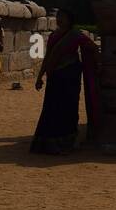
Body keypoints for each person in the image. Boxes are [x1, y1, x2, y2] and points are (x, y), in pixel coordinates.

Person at [31, 9, 101, 155]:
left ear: (70, 20)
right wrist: (40, 77)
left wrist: (97, 63)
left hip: (69, 77)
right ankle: (49, 142)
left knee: (68, 109)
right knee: (52, 109)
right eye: (58, 17)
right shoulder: (54, 36)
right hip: (55, 77)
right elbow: (49, 56)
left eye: (62, 17)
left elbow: (92, 47)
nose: (59, 19)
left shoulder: (75, 35)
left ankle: (66, 142)